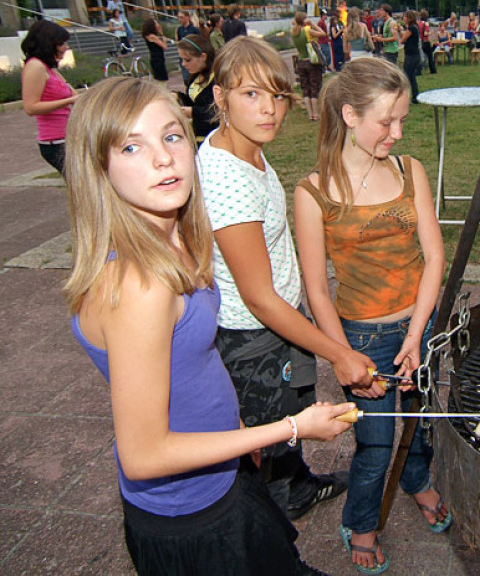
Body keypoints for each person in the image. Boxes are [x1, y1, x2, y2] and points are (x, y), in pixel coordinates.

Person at [63, 76, 355, 574]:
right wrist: (287, 428)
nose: (162, 158)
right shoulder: (140, 285)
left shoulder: (171, 236)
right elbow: (143, 455)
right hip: (192, 512)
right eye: (132, 146)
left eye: (171, 136)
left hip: (220, 472)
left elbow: (187, 368)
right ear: (99, 167)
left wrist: (236, 429)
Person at [196, 37, 381, 521]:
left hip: (276, 325)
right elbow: (258, 297)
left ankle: (297, 485)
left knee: (288, 416)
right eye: (251, 95)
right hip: (255, 335)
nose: (270, 110)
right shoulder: (228, 179)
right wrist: (337, 352)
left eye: (278, 96)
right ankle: (276, 521)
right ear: (220, 98)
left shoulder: (244, 148)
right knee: (269, 435)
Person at [293, 57, 448, 575]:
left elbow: (434, 257)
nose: (397, 133)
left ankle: (418, 480)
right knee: (375, 441)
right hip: (361, 336)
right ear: (350, 115)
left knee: (420, 419)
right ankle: (362, 522)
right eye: (387, 121)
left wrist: (418, 332)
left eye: (403, 119)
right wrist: (342, 356)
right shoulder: (313, 192)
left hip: (416, 326)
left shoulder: (410, 172)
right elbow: (316, 286)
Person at [20, 20, 80, 176]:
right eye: (62, 43)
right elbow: (30, 107)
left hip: (68, 137)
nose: (66, 47)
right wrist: (68, 101)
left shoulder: (50, 69)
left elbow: (75, 96)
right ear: (49, 43)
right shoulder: (35, 66)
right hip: (55, 142)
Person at [176, 34, 217, 140]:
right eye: (182, 60)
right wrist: (178, 96)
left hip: (213, 136)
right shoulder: (196, 75)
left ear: (203, 57)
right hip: (198, 135)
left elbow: (219, 111)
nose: (183, 64)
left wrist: (193, 112)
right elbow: (194, 102)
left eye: (188, 60)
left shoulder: (218, 79)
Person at [291, 11, 326, 121]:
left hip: (300, 62)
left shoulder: (293, 32)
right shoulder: (307, 31)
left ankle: (310, 114)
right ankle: (315, 113)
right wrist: (312, 25)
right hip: (311, 61)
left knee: (305, 88)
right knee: (314, 87)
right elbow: (323, 33)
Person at [399, 10, 421, 104]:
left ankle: (407, 97)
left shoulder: (411, 28)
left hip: (411, 56)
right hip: (413, 55)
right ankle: (415, 96)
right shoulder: (413, 28)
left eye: (405, 17)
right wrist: (400, 31)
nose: (403, 18)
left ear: (409, 18)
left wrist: (401, 31)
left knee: (406, 77)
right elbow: (403, 37)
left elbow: (403, 40)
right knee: (411, 77)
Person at [141, 17, 169, 84]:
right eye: (156, 23)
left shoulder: (148, 35)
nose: (157, 24)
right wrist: (162, 35)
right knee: (162, 79)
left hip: (156, 57)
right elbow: (164, 47)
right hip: (157, 58)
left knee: (159, 78)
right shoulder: (152, 36)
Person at [176, 11, 201, 83]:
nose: (180, 19)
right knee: (186, 77)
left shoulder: (194, 29)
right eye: (179, 17)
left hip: (192, 54)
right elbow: (179, 41)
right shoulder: (179, 29)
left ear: (187, 17)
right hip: (183, 55)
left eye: (181, 17)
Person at [419, 8, 436, 74]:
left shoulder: (419, 23)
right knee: (430, 57)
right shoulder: (426, 24)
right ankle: (432, 70)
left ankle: (419, 70)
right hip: (426, 41)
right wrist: (431, 32)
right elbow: (425, 34)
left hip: (420, 41)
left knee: (421, 56)